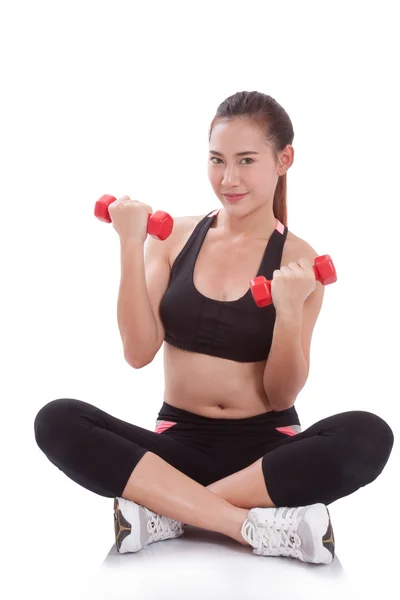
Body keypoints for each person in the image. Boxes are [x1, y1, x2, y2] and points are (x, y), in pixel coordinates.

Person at [34, 91, 394, 564]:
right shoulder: (173, 238)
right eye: (217, 160)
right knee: (57, 419)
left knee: (370, 434)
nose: (229, 179)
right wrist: (129, 243)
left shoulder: (299, 262)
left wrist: (287, 310)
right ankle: (245, 524)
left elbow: (282, 396)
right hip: (176, 445)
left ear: (283, 159)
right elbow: (138, 352)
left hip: (267, 454)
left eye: (247, 160)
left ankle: (168, 512)